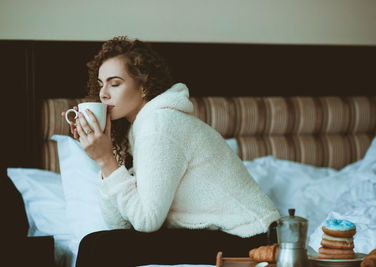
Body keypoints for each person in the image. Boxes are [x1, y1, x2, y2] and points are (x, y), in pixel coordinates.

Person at [62, 36, 280, 267]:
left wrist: (106, 160)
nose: (103, 93)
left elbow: (147, 222)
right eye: (100, 84)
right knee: (98, 242)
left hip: (252, 239)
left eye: (114, 83)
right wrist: (106, 163)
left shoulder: (160, 125)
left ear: (144, 86)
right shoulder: (139, 130)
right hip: (224, 234)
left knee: (98, 247)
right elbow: (121, 225)